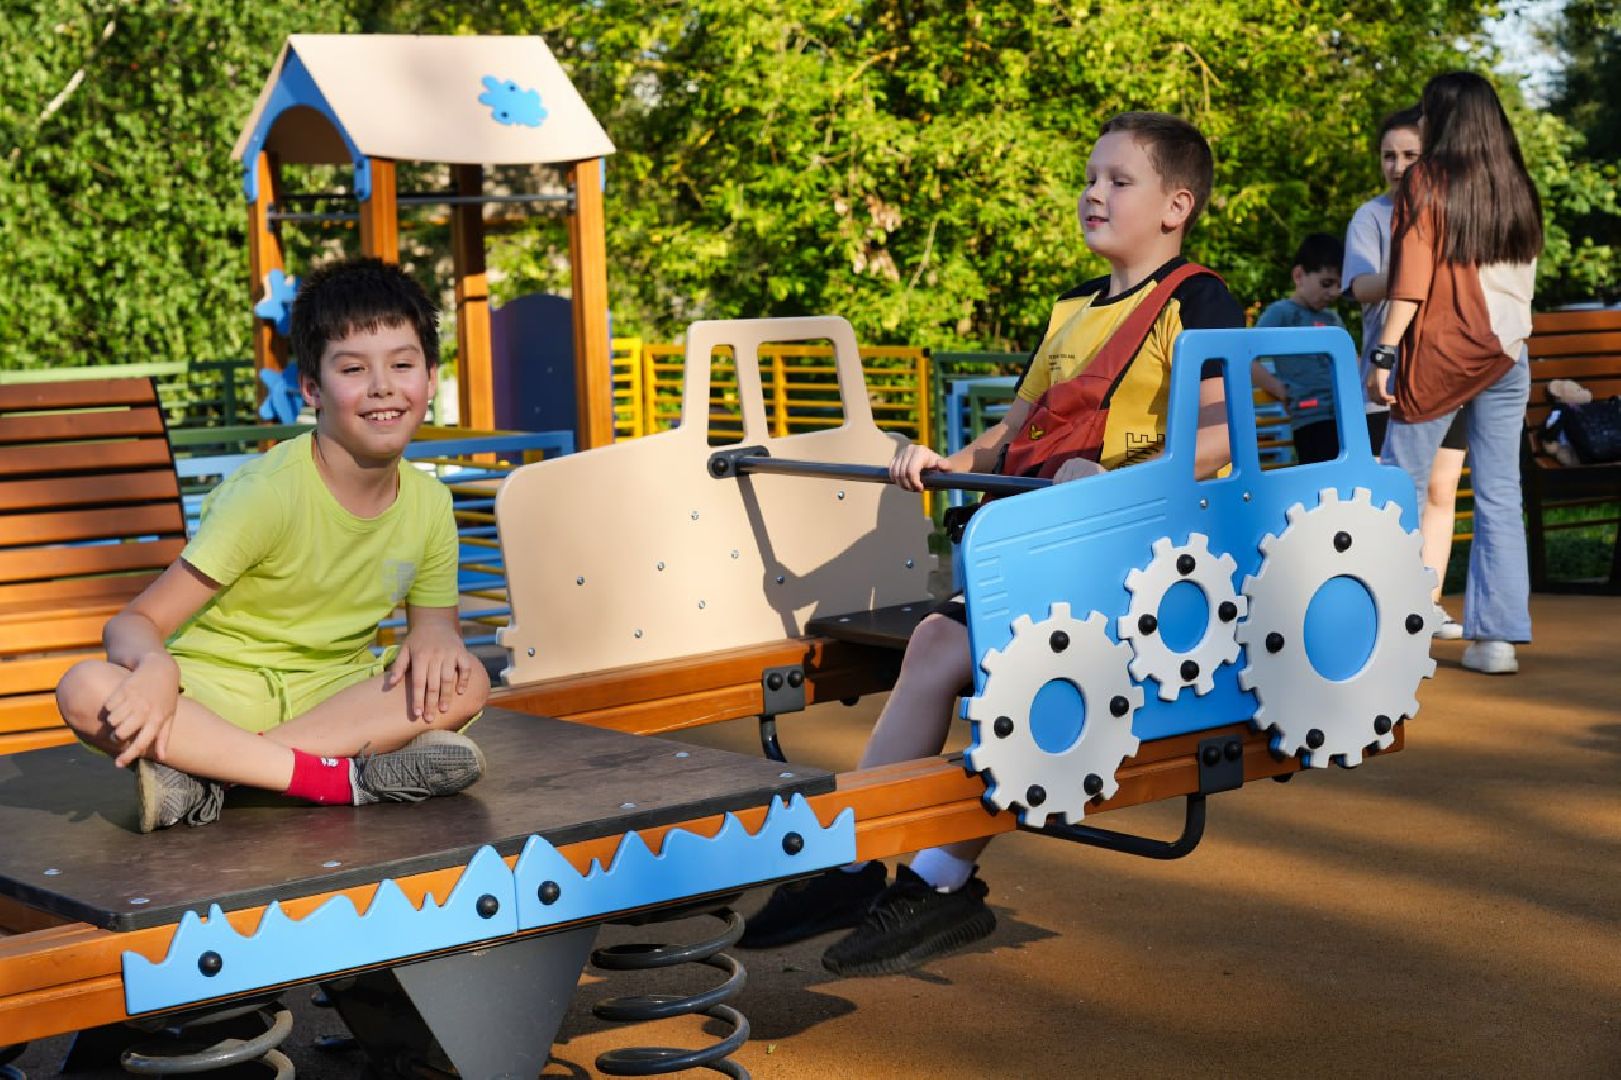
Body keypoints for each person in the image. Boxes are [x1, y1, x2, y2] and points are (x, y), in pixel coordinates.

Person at [740, 112, 1242, 976]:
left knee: (990, 660)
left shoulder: (1199, 300)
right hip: (1047, 538)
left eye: (1119, 181)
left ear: (1175, 205)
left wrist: (1108, 478)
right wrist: (942, 462)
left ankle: (931, 878)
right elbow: (1007, 435)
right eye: (1091, 176)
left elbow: (1218, 439)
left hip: (1135, 554)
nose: (1093, 192)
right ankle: (860, 862)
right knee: (938, 644)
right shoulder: (1070, 312)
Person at [55, 258, 491, 832]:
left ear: (430, 378)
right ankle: (342, 780)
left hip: (327, 696)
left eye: (403, 365)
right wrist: (155, 665)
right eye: (354, 369)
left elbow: (437, 631)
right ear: (311, 387)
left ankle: (214, 774)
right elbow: (132, 623)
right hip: (216, 692)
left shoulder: (431, 506)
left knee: (469, 678)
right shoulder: (268, 496)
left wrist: (435, 634)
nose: (383, 386)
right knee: (83, 688)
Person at [1367, 71, 1541, 675]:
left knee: (1399, 487)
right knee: (1499, 494)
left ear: (1443, 118)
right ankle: (1496, 640)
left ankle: (1392, 627)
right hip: (1507, 353)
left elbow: (1410, 279)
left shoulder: (1427, 180)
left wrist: (1384, 354)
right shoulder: (1514, 184)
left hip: (1440, 352)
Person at [1345, 106, 1466, 639]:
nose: (1397, 166)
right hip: (1385, 378)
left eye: (1409, 155)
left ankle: (1428, 603)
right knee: (1389, 495)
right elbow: (1361, 288)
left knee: (1442, 492)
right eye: (1388, 156)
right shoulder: (1371, 217)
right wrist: (1418, 264)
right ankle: (1382, 609)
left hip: (1448, 374)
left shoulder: (1457, 213)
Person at [1249, 233, 1350, 465]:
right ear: (1299, 275)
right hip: (1310, 417)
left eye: (1338, 285)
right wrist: (1277, 388)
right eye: (1326, 283)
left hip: (1344, 414)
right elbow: (1246, 357)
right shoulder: (1282, 313)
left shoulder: (1332, 318)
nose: (1334, 292)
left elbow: (1348, 361)